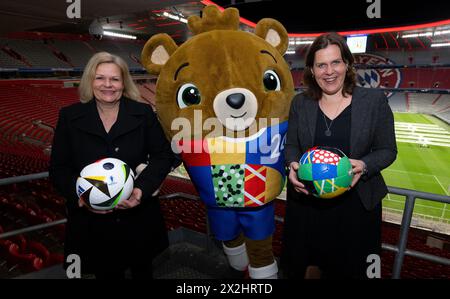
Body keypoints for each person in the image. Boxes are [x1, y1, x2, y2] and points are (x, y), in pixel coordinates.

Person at [49, 52, 178, 279]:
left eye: (115, 79)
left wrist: (141, 190)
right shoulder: (69, 116)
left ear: (123, 83)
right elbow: (59, 168)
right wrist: (81, 197)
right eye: (100, 78)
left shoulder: (143, 113)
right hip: (93, 225)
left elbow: (162, 156)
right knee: (106, 274)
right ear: (90, 81)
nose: (107, 85)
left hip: (139, 220)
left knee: (143, 272)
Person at [281, 33, 397, 279]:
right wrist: (292, 164)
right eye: (321, 65)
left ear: (347, 64)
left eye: (336, 62)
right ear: (312, 70)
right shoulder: (300, 103)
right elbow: (291, 145)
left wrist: (364, 165)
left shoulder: (374, 101)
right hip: (308, 205)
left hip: (356, 206)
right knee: (304, 267)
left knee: (351, 270)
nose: (329, 71)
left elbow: (388, 150)